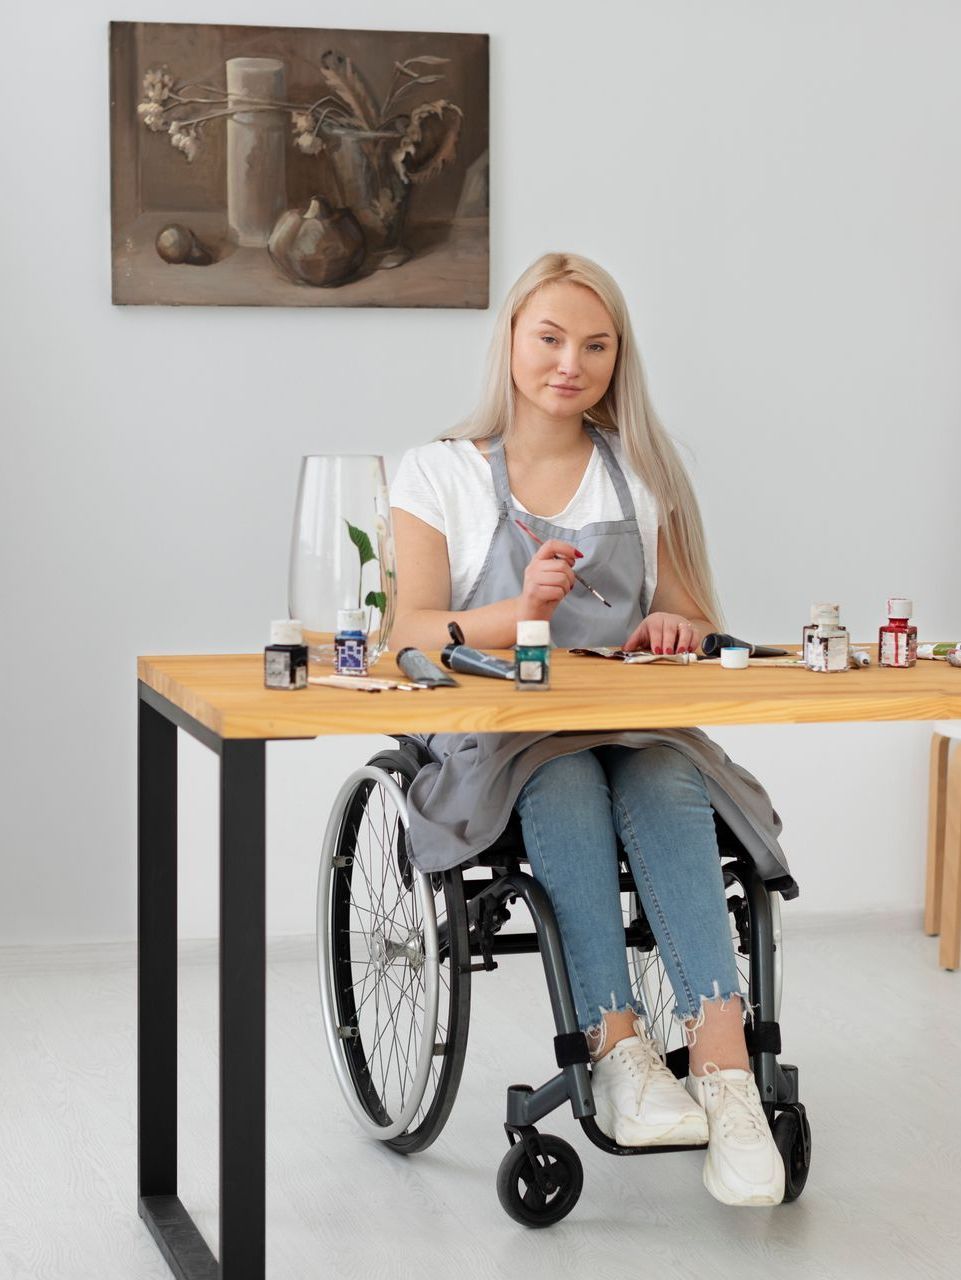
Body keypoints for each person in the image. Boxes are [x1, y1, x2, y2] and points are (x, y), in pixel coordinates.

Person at [389, 252, 785, 1207]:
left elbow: (688, 608)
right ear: (512, 343)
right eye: (551, 338)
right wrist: (518, 609)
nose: (572, 363)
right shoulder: (439, 473)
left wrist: (673, 623)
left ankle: (726, 1074)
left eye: (596, 346)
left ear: (618, 358)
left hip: (628, 723)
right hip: (501, 738)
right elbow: (408, 632)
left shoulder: (640, 473)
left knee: (662, 775)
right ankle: (615, 1053)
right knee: (565, 778)